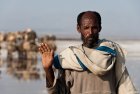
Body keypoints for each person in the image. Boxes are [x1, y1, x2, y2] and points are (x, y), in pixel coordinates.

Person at [39, 11, 138, 94]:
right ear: (79, 28)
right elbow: (57, 92)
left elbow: (125, 88)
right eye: (86, 28)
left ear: (99, 28)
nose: (90, 32)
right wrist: (48, 69)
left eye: (94, 28)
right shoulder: (70, 57)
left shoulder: (112, 54)